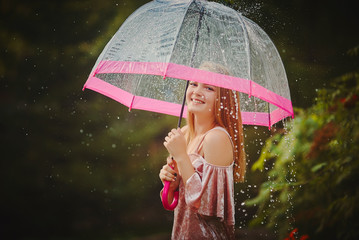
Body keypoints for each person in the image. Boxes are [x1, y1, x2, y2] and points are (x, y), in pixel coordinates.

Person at [159, 62, 246, 239]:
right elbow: (177, 202)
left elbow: (208, 207)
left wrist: (182, 157)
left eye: (209, 88)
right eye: (193, 84)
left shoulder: (216, 138)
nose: (197, 91)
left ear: (223, 99)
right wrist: (172, 183)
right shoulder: (184, 135)